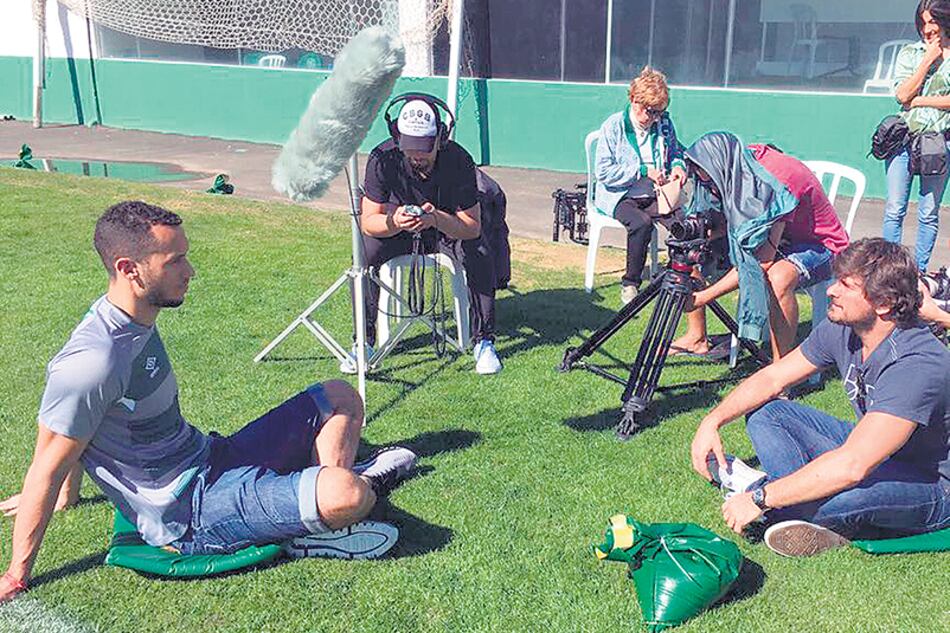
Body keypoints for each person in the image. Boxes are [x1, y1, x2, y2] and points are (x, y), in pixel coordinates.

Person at [0, 201, 419, 603]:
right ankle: (342, 496)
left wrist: (68, 497)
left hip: (212, 456)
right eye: (174, 261)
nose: (191, 271)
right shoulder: (94, 360)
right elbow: (50, 458)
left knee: (339, 396)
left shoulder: (134, 318)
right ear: (129, 270)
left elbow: (80, 427)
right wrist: (16, 575)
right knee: (348, 494)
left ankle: (313, 504)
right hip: (190, 514)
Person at [690, 238, 950, 557]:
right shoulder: (843, 328)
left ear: (883, 304)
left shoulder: (917, 365)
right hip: (875, 452)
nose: (830, 290)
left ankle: (764, 492)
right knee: (768, 412)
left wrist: (759, 498)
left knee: (844, 498)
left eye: (845, 284)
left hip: (933, 484)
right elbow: (774, 377)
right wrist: (712, 421)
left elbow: (854, 465)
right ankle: (796, 502)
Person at [349, 95, 502, 375]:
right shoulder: (382, 159)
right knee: (363, 250)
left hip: (444, 229)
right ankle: (363, 342)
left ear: (441, 138)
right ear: (397, 138)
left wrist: (436, 219)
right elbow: (369, 222)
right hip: (398, 229)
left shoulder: (459, 160)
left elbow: (471, 226)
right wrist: (395, 221)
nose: (418, 157)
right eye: (410, 149)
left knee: (479, 249)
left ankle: (484, 341)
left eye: (425, 149)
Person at [669, 132, 850, 362]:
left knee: (779, 277)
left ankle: (781, 371)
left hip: (822, 246)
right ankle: (696, 338)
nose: (706, 185)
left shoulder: (775, 181)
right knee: (690, 249)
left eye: (706, 178)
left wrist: (701, 297)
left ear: (718, 165)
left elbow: (761, 261)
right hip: (783, 239)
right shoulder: (738, 166)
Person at [594, 66, 688, 305]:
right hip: (620, 195)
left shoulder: (664, 124)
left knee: (684, 224)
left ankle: (677, 277)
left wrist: (678, 168)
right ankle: (630, 283)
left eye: (660, 112)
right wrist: (643, 172)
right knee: (641, 223)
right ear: (635, 101)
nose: (655, 118)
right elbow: (603, 172)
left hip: (657, 194)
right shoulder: (613, 126)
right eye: (651, 112)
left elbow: (677, 151)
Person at [882, 0, 950, 271]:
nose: (927, 29)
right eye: (922, 23)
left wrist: (919, 101)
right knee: (894, 208)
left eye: (932, 21)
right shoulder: (911, 53)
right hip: (904, 140)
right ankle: (888, 269)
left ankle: (918, 272)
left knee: (928, 212)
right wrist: (926, 60)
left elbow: (913, 100)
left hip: (938, 141)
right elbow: (901, 95)